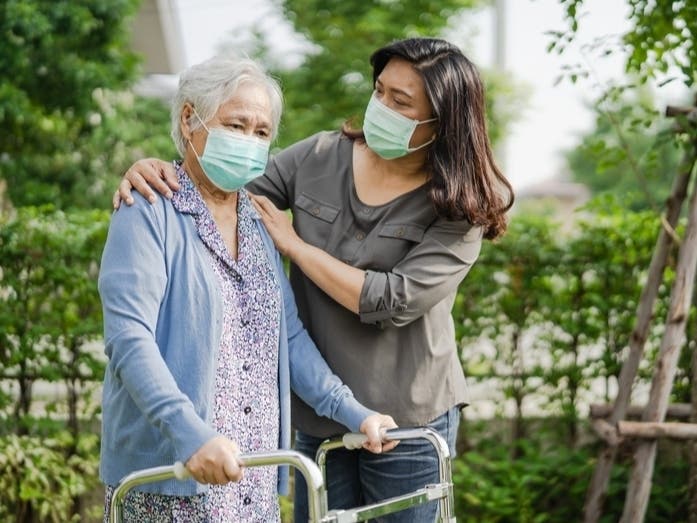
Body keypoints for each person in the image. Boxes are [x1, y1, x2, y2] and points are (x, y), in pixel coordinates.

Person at [114, 37, 514, 522]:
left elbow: (387, 301)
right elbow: (209, 183)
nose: (381, 107)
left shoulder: (458, 202)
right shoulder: (316, 160)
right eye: (380, 91)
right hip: (284, 433)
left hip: (401, 418)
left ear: (441, 121)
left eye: (401, 101)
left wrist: (296, 246)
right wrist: (152, 167)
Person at [98, 54, 397, 523]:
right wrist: (190, 433)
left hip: (251, 478)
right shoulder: (148, 210)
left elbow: (289, 339)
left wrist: (355, 413)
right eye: (236, 125)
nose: (249, 141)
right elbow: (129, 340)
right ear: (189, 118)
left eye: (261, 133)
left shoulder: (258, 223)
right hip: (172, 477)